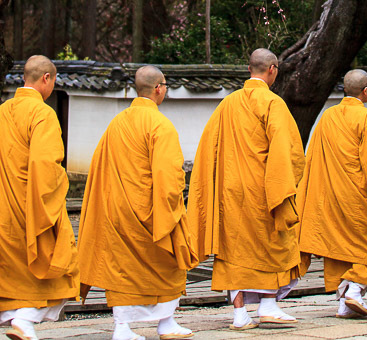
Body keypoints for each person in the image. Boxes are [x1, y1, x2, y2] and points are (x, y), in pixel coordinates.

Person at [188, 48, 305, 331]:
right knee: (272, 244)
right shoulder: (273, 103)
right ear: (273, 70)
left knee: (233, 249)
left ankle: (240, 315)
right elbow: (287, 152)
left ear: (248, 69)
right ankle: (268, 305)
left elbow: (208, 150)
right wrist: (284, 189)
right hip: (264, 190)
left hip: (230, 190)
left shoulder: (227, 104)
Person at [78, 65, 197, 340]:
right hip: (152, 212)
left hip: (117, 211)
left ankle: (126, 326)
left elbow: (99, 167)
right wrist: (173, 210)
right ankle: (165, 321)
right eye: (165, 86)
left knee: (121, 269)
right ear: (158, 89)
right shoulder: (160, 125)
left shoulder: (117, 122)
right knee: (167, 264)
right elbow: (169, 176)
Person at [297, 69, 367, 319]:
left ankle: (343, 302)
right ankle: (355, 289)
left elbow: (313, 160)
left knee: (339, 248)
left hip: (330, 196)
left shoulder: (327, 118)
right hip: (358, 199)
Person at [0, 56, 79, 340]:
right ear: (46, 79)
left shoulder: (3, 111)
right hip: (30, 209)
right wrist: (57, 196)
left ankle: (20, 320)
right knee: (62, 266)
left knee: (8, 275)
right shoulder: (42, 113)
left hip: (3, 211)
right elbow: (46, 167)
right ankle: (25, 319)